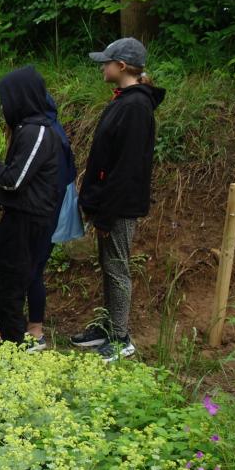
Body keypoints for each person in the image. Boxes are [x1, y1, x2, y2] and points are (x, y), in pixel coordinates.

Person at [71, 37, 164, 362]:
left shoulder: (136, 107)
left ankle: (121, 337)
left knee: (117, 268)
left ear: (121, 66)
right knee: (109, 265)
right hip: (109, 204)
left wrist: (107, 215)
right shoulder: (126, 101)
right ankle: (108, 326)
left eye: (106, 63)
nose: (102, 67)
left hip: (119, 207)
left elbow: (126, 169)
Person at [0, 66, 62, 347]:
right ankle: (15, 329)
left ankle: (14, 346)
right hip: (16, 218)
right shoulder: (25, 129)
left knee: (9, 287)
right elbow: (18, 185)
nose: (3, 106)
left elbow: (15, 180)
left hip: (29, 222)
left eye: (6, 98)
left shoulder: (38, 131)